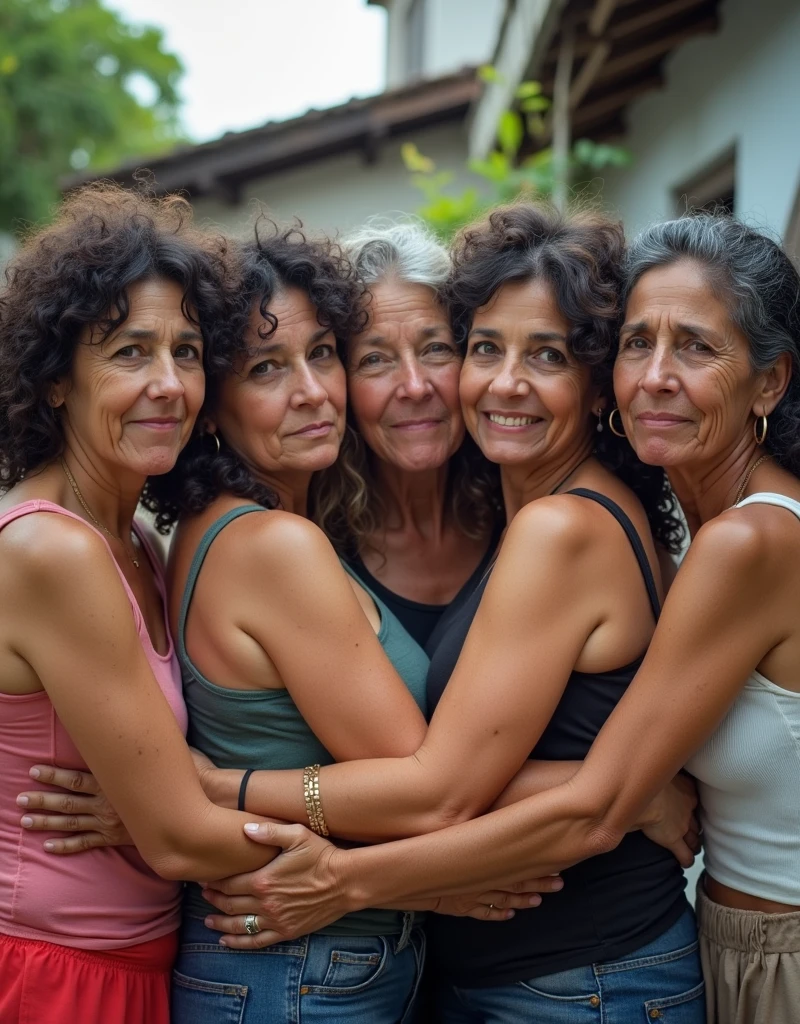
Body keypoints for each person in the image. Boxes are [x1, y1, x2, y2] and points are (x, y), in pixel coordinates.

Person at [219, 214, 800, 1024]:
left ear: (594, 384)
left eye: (549, 355)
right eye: (487, 348)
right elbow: (490, 762)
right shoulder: (511, 506)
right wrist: (639, 794)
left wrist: (223, 800)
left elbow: (455, 785)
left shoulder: (565, 527)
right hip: (508, 974)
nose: (504, 382)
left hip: (585, 978)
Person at [0, 185, 301, 1024]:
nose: (169, 384)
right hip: (53, 975)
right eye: (131, 353)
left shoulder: (137, 539)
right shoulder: (50, 550)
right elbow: (176, 837)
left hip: (129, 967)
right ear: (57, 379)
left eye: (189, 351)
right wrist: (428, 864)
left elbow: (164, 818)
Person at [312, 222, 501, 648]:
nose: (415, 387)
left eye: (436, 349)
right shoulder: (313, 543)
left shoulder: (523, 511)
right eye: (375, 359)